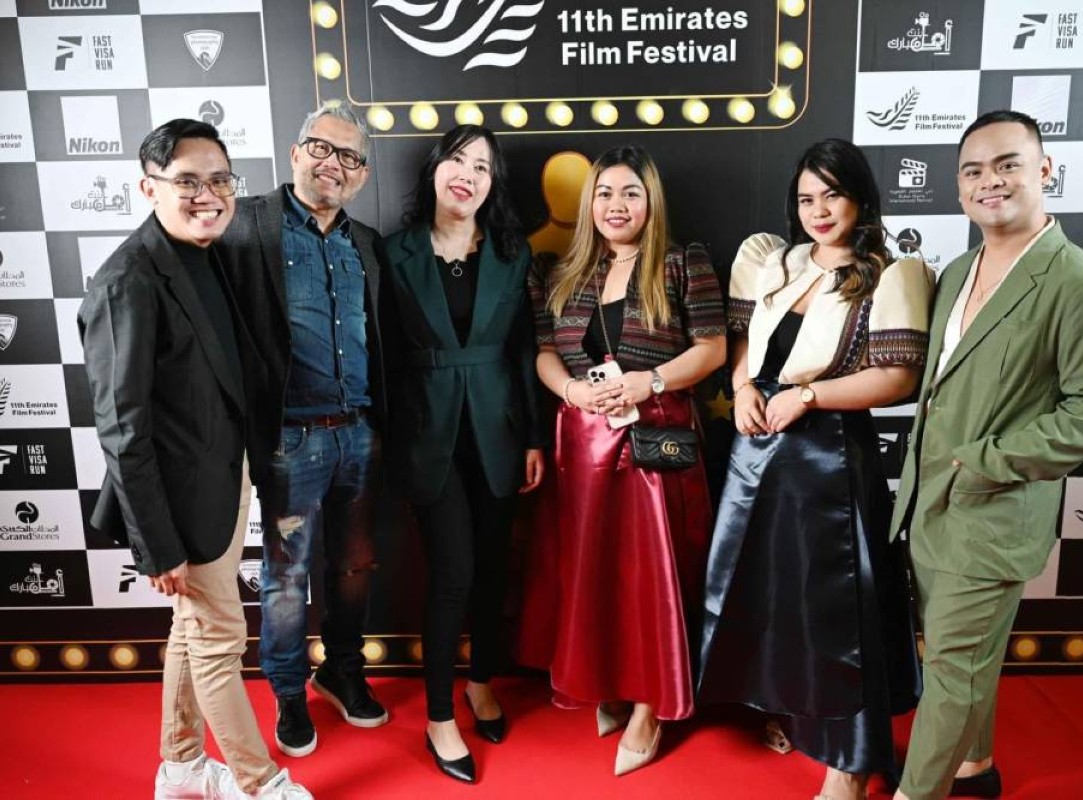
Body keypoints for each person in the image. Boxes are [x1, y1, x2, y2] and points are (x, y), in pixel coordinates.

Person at [890, 110, 1083, 800]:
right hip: (931, 503)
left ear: (1045, 170)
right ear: (959, 186)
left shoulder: (1079, 282)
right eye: (973, 171)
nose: (989, 181)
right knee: (958, 654)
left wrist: (989, 460)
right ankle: (975, 768)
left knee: (952, 668)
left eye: (1007, 164)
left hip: (994, 512)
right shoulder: (956, 270)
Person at [79, 119, 310, 799]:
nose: (207, 195)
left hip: (223, 481)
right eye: (187, 181)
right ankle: (260, 783)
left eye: (219, 179)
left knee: (194, 628)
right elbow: (122, 429)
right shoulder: (126, 281)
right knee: (218, 639)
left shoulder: (204, 254)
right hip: (179, 504)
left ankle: (181, 768)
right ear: (149, 188)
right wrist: (157, 545)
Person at [697, 138, 930, 800]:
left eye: (833, 195)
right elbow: (746, 343)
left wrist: (808, 396)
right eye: (806, 199)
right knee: (768, 594)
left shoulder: (891, 274)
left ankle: (849, 763)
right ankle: (789, 708)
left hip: (829, 454)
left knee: (838, 609)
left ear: (861, 199)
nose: (819, 211)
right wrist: (743, 385)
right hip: (756, 452)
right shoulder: (776, 260)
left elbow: (899, 379)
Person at [527, 145, 726, 775]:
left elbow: (713, 348)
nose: (616, 205)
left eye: (630, 193)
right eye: (605, 193)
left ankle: (650, 706)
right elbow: (544, 352)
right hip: (582, 446)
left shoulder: (681, 263)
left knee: (651, 581)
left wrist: (651, 381)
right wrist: (571, 391)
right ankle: (608, 682)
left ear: (650, 201)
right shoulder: (561, 271)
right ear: (589, 202)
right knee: (595, 576)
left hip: (653, 441)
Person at [217, 103, 389, 757]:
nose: (332, 164)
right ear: (295, 153)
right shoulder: (248, 223)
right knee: (287, 577)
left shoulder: (364, 241)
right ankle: (289, 693)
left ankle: (342, 671)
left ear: (361, 175)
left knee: (354, 566)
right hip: (291, 440)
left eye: (348, 156)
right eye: (321, 147)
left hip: (359, 435)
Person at [378, 125, 546, 783]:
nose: (467, 174)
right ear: (434, 170)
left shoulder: (512, 252)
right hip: (427, 433)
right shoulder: (393, 253)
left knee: (494, 569)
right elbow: (382, 355)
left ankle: (481, 682)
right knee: (454, 570)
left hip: (499, 429)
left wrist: (533, 437)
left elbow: (525, 351)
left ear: (492, 183)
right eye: (456, 159)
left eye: (481, 166)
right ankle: (439, 715)